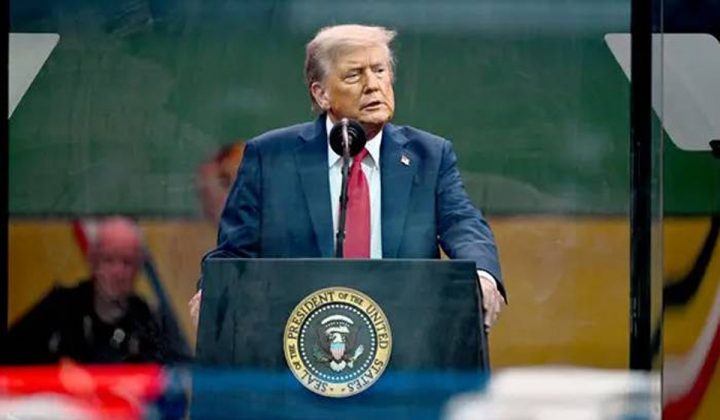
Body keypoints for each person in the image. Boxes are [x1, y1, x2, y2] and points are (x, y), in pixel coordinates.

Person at [190, 24, 506, 329]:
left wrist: (483, 274)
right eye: (354, 75)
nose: (373, 85)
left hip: (406, 338)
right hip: (297, 339)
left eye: (379, 71)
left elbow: (463, 224)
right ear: (321, 94)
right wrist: (213, 289)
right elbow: (235, 251)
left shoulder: (429, 156)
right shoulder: (270, 157)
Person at [3, 217, 186, 364]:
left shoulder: (148, 320)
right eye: (109, 260)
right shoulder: (59, 308)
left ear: (138, 267)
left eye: (127, 262)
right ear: (93, 261)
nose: (118, 272)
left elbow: (175, 376)